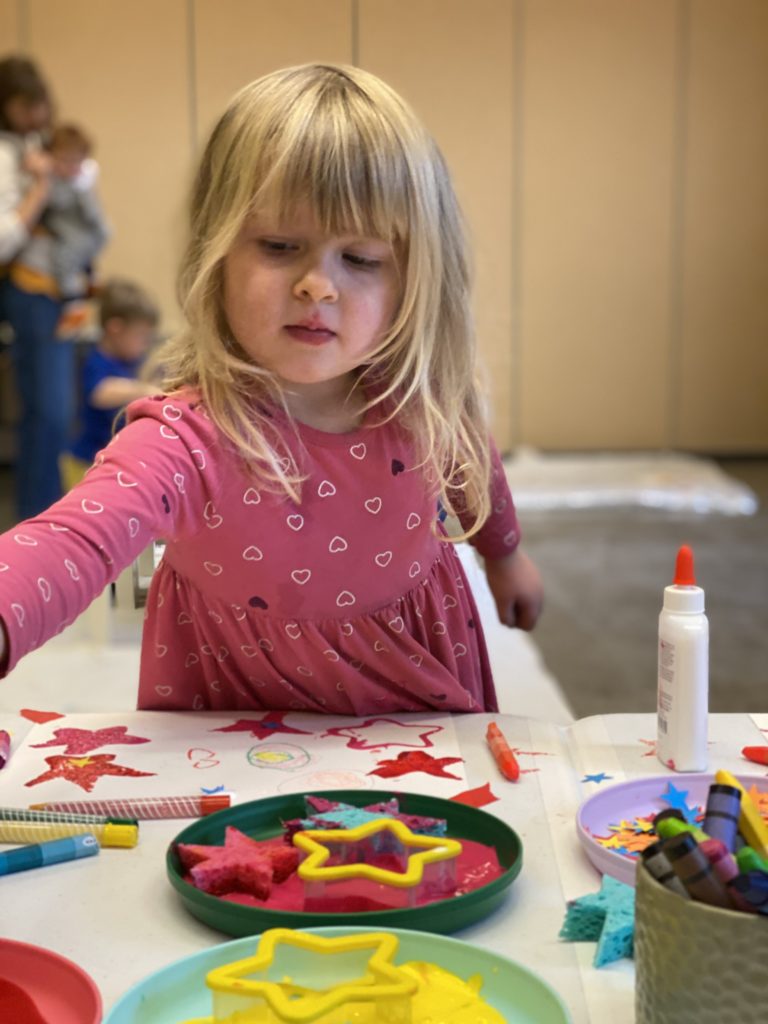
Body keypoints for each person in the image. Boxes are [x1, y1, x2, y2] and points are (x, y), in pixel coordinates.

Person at [0, 63, 543, 714]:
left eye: (362, 258)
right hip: (238, 726)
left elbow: (470, 461)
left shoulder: (424, 399)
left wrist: (504, 553)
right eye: (281, 245)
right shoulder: (186, 436)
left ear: (415, 277)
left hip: (412, 701)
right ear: (217, 253)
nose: (318, 285)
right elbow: (76, 539)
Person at [0, 55, 73, 519]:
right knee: (48, 411)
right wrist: (40, 191)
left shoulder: (40, 143)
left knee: (54, 413)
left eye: (40, 106)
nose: (38, 116)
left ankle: (47, 514)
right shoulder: (6, 153)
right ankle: (42, 520)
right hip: (27, 290)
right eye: (26, 107)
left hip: (60, 288)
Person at [60, 278, 161, 490]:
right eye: (140, 336)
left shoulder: (133, 361)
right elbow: (99, 392)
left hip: (111, 461)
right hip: (85, 462)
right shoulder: (96, 361)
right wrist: (143, 390)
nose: (145, 345)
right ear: (115, 329)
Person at [16, 122, 110, 336]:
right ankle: (73, 301)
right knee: (65, 256)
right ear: (50, 157)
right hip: (61, 233)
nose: (70, 167)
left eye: (76, 162)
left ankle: (89, 278)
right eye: (64, 160)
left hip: (82, 231)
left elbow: (95, 217)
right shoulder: (48, 180)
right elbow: (53, 202)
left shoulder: (83, 179)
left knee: (94, 240)